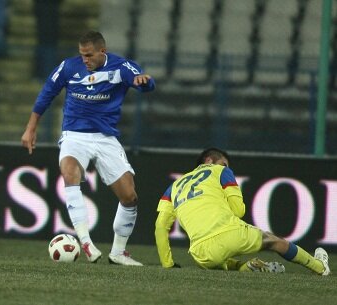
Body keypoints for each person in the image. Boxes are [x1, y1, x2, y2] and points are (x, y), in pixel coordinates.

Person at [21, 31, 155, 266]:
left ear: (102, 52)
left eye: (89, 55)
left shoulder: (121, 67)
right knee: (70, 172)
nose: (84, 60)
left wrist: (144, 82)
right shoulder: (68, 67)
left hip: (105, 137)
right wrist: (31, 128)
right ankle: (85, 242)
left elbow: (143, 82)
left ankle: (118, 253)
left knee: (129, 197)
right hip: (75, 135)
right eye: (82, 55)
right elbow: (46, 95)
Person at [155, 148, 330, 275]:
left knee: (222, 262)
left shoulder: (174, 185)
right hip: (231, 234)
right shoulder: (221, 171)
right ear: (208, 160)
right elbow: (239, 210)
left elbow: (160, 226)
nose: (226, 166)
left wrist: (168, 264)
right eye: (224, 162)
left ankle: (249, 267)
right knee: (276, 241)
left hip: (200, 253)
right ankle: (320, 267)